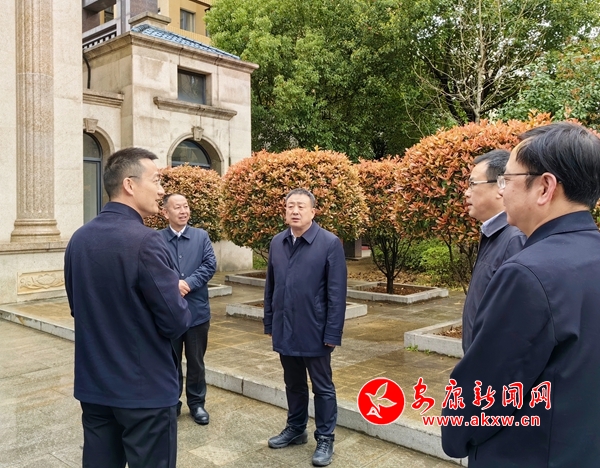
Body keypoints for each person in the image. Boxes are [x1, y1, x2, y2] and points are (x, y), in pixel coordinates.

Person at [441, 122, 600, 466]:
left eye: (507, 179)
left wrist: (455, 435)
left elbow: (485, 389)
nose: (503, 190)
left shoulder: (528, 273)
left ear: (544, 187)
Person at [64, 148, 191, 468]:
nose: (162, 190)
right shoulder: (147, 241)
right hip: (144, 392)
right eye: (156, 180)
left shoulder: (78, 239)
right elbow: (175, 321)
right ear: (129, 185)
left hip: (95, 386)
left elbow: (78, 308)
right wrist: (178, 297)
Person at [264, 188, 347, 467]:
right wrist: (270, 321)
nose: (295, 211)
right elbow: (271, 286)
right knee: (293, 383)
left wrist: (332, 332)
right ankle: (296, 428)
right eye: (290, 206)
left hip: (315, 329)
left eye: (301, 206)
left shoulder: (329, 243)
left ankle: (325, 437)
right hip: (285, 326)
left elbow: (337, 293)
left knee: (322, 387)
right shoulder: (277, 242)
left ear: (313, 211)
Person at [159, 193, 216, 425]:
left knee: (196, 361)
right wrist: (173, 284)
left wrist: (188, 283)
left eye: (186, 206)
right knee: (169, 362)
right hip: (168, 313)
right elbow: (153, 267)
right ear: (165, 212)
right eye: (177, 207)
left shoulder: (201, 236)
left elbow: (210, 264)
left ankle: (197, 403)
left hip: (196, 313)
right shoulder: (156, 239)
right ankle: (171, 403)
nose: (183, 211)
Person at [461, 150, 525, 352]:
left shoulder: (515, 239)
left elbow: (515, 322)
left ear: (501, 186)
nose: (466, 192)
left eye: (473, 184)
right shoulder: (493, 233)